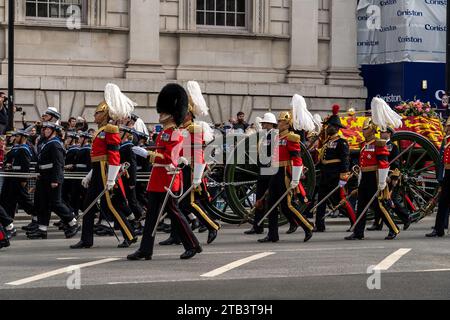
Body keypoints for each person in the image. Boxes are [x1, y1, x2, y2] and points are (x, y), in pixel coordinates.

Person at [127, 83, 202, 261]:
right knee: (151, 216)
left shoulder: (175, 133)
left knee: (175, 213)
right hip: (158, 178)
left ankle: (192, 244)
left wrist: (147, 154)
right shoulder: (164, 133)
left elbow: (170, 159)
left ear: (171, 113)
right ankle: (145, 249)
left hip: (167, 179)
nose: (160, 114)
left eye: (163, 112)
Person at [70, 84, 138, 249]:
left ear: (106, 113)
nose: (95, 115)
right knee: (89, 203)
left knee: (110, 205)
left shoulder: (110, 128)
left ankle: (129, 235)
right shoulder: (100, 131)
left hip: (107, 171)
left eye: (98, 112)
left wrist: (111, 178)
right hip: (99, 170)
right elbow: (98, 159)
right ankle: (87, 239)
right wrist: (90, 175)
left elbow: (114, 155)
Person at [258, 95, 314, 243]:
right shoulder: (277, 137)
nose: (279, 123)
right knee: (271, 203)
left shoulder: (291, 138)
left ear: (287, 123)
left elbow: (297, 159)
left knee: (287, 205)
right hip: (275, 172)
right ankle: (272, 235)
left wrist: (295, 178)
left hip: (285, 174)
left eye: (281, 121)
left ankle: (307, 227)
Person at [346, 98, 402, 241]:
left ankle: (394, 229)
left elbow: (383, 163)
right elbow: (363, 163)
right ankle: (359, 232)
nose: (363, 131)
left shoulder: (379, 143)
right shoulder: (365, 144)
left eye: (365, 129)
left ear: (371, 129)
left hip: (375, 178)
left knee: (379, 206)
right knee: (361, 206)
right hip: (365, 177)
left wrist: (382, 182)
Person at [26, 122, 80, 239]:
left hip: (52, 178)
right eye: (44, 129)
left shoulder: (55, 144)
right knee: (43, 204)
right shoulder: (46, 143)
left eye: (48, 129)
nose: (45, 130)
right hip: (44, 177)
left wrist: (55, 179)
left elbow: (58, 163)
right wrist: (38, 173)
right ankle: (42, 229)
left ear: (54, 131)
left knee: (56, 203)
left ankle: (73, 222)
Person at [315, 105, 355, 232]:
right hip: (325, 174)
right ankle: (320, 225)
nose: (327, 128)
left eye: (330, 126)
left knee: (340, 201)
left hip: (335, 175)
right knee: (321, 200)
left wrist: (343, 176)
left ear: (336, 128)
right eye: (327, 126)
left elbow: (345, 160)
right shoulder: (327, 142)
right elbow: (322, 158)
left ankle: (355, 222)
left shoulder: (341, 142)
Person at [244, 112, 277, 235]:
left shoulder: (275, 136)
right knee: (259, 199)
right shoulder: (264, 136)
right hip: (263, 169)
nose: (262, 125)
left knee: (271, 200)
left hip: (271, 169)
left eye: (264, 123)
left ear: (270, 124)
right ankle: (257, 226)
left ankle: (273, 228)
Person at [0, 130, 35, 237]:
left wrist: (24, 179)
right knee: (7, 202)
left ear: (23, 137)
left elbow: (25, 165)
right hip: (11, 178)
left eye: (17, 136)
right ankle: (8, 224)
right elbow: (9, 160)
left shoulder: (24, 149)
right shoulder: (16, 148)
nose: (14, 138)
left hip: (18, 179)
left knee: (25, 202)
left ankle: (38, 219)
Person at [427, 118, 450, 238]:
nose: (446, 129)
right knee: (443, 202)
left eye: (448, 127)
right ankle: (439, 229)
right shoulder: (446, 141)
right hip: (447, 174)